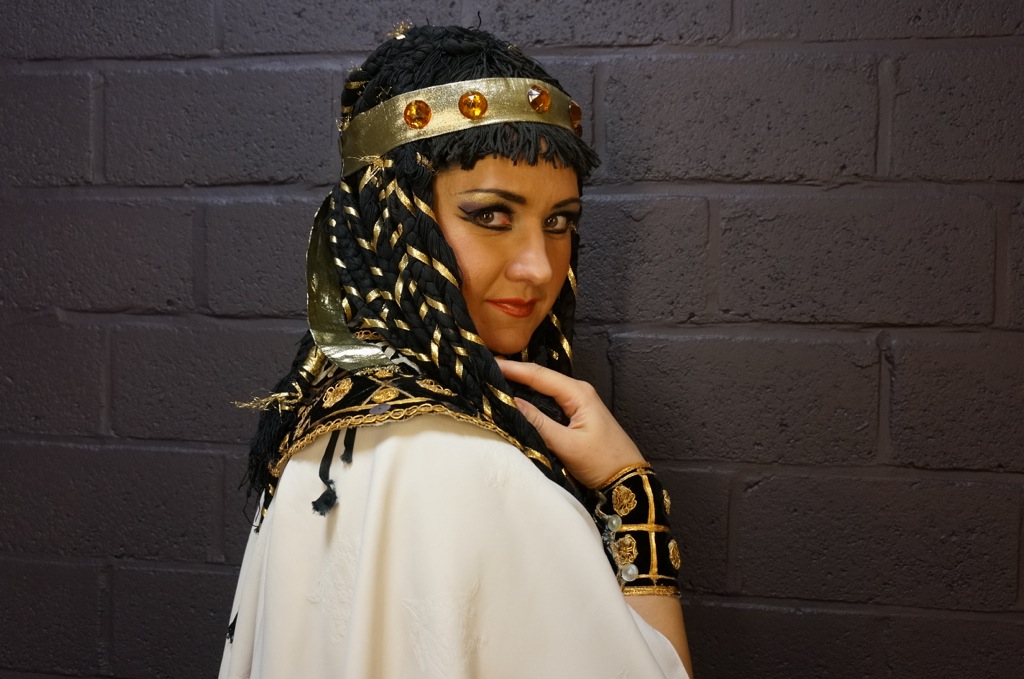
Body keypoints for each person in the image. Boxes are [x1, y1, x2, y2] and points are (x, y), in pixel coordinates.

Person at [220, 24, 693, 679]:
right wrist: (632, 496)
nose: (538, 267)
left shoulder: (322, 420)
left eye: (558, 221)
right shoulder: (476, 468)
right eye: (492, 215)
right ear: (395, 219)